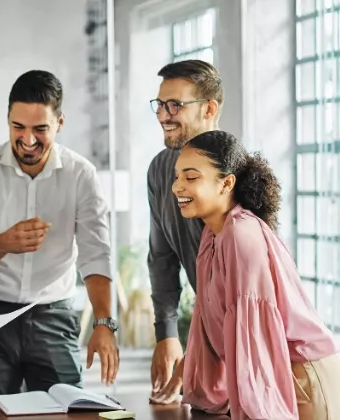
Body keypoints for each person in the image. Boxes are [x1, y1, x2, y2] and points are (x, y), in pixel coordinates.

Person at [165, 130, 340, 419]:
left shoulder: (240, 234)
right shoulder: (213, 234)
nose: (177, 187)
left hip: (311, 384)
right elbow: (209, 322)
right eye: (177, 177)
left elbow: (255, 340)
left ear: (226, 183)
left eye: (191, 177)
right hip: (286, 380)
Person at [0, 69, 120, 401]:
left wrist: (104, 323)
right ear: (7, 120)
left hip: (53, 314)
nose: (28, 139)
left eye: (40, 129)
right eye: (18, 127)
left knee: (67, 407)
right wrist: (4, 242)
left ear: (60, 123)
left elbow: (96, 253)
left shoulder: (82, 175)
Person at [146, 60, 223, 401]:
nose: (164, 114)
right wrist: (167, 333)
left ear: (209, 109)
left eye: (175, 105)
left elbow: (239, 293)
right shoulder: (161, 169)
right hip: (209, 335)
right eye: (160, 105)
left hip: (248, 339)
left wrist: (196, 352)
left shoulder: (237, 175)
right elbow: (161, 258)